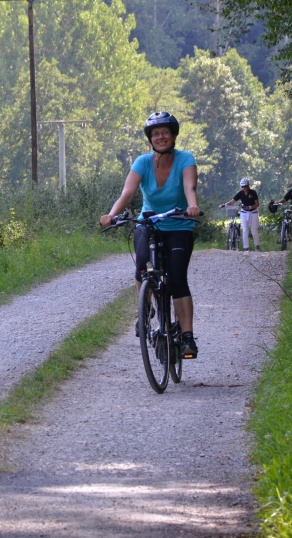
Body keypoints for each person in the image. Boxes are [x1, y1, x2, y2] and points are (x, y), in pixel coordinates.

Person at [99, 111, 201, 358]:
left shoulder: (185, 159)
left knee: (177, 279)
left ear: (173, 136)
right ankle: (145, 310)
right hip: (149, 223)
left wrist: (192, 206)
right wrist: (111, 215)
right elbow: (127, 193)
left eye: (165, 132)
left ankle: (187, 336)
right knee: (142, 268)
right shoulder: (142, 162)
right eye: (155, 134)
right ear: (150, 139)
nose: (161, 137)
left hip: (179, 224)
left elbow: (189, 187)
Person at [221, 178, 260, 252]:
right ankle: (246, 248)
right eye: (242, 186)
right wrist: (224, 205)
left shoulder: (253, 192)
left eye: (245, 186)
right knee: (245, 230)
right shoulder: (240, 193)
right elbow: (232, 202)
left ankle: (257, 246)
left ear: (248, 186)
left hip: (253, 213)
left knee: (254, 231)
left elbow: (257, 204)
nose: (244, 188)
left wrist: (250, 207)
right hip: (244, 213)